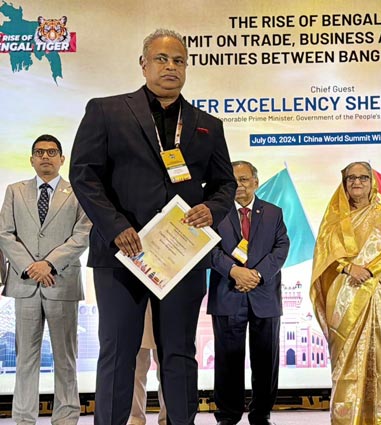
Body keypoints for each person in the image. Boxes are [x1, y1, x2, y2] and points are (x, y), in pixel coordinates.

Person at [69, 28, 236, 425]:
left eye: (178, 61)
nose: (170, 67)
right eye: (161, 59)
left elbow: (225, 184)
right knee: (118, 352)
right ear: (143, 64)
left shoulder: (207, 125)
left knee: (179, 352)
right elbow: (84, 175)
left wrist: (212, 209)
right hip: (122, 253)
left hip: (181, 255)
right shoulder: (106, 111)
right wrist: (115, 227)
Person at [310, 162, 381, 424]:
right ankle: (345, 419)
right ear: (344, 183)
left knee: (379, 357)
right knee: (344, 358)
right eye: (351, 178)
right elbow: (326, 255)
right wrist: (349, 268)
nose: (357, 182)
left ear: (372, 183)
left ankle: (376, 418)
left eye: (363, 178)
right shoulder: (334, 220)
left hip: (377, 290)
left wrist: (369, 270)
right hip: (343, 292)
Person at [0, 134, 91, 425]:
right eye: (39, 152)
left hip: (61, 282)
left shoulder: (78, 192)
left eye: (52, 152)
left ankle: (66, 417)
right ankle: (23, 418)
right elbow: (5, 233)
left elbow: (83, 234)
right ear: (31, 159)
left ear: (62, 159)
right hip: (25, 283)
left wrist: (49, 264)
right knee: (25, 358)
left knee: (65, 358)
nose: (45, 157)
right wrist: (31, 267)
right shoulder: (15, 191)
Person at [208, 160, 290, 425]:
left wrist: (256, 275)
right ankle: (228, 416)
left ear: (256, 182)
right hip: (227, 293)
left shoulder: (273, 213)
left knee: (266, 361)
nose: (239, 185)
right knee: (227, 361)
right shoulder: (214, 212)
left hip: (264, 296)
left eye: (244, 179)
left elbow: (281, 247)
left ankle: (261, 414)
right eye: (233, 181)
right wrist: (234, 271)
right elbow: (208, 248)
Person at [128, 302, 166, 425]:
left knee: (166, 367)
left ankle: (166, 418)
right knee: (136, 369)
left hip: (164, 301)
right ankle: (136, 418)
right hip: (137, 304)